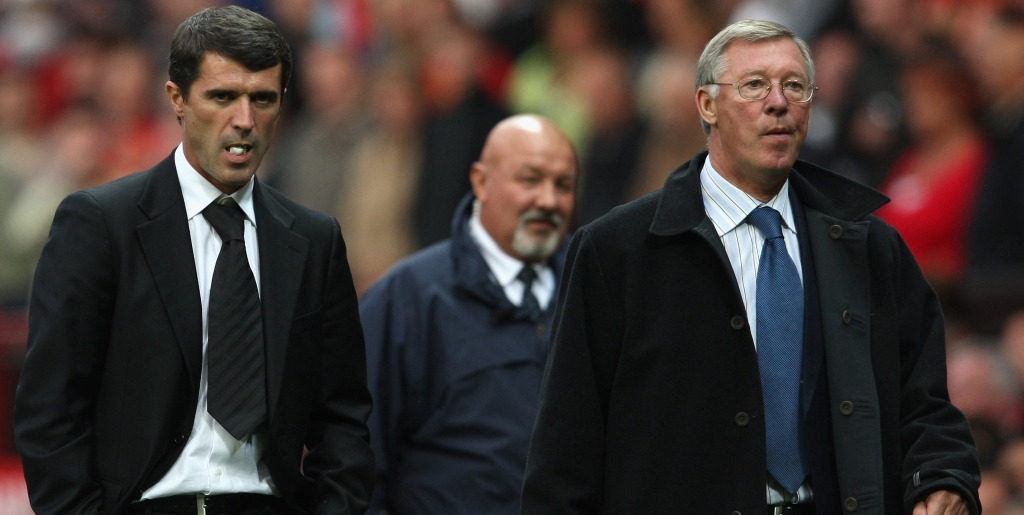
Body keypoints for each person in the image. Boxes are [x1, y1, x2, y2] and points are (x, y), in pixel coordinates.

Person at [521, 20, 980, 515]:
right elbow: (566, 450)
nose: (778, 102)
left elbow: (926, 403)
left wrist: (941, 477)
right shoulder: (616, 252)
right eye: (755, 85)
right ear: (706, 105)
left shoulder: (871, 247)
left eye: (796, 86)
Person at [14, 6, 374, 515]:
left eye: (263, 99)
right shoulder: (99, 225)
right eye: (223, 97)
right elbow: (51, 409)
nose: (244, 120)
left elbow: (342, 417)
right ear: (176, 100)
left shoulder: (314, 241)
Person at [360, 114, 577, 515]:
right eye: (530, 180)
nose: (548, 200)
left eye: (563, 185)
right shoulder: (410, 297)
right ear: (481, 182)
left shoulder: (592, 296)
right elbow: (357, 464)